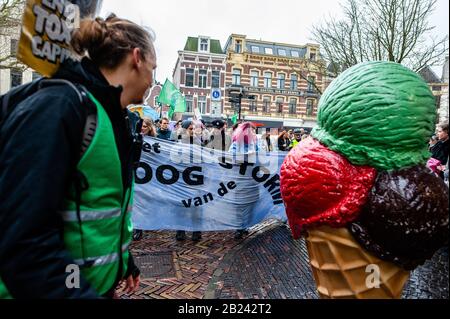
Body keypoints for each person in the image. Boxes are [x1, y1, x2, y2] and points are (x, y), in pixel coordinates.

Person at [0, 14, 157, 298]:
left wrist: (121, 260)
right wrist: (79, 293)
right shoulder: (60, 107)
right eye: (153, 68)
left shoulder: (112, 116)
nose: (152, 80)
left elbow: (93, 203)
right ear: (137, 58)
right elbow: (25, 240)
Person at [229, 122, 259, 240]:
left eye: (253, 130)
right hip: (240, 179)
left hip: (252, 180)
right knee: (240, 204)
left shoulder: (255, 143)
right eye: (249, 130)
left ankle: (245, 225)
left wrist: (257, 155)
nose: (251, 132)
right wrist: (246, 156)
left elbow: (263, 158)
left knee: (251, 203)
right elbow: (230, 157)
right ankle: (239, 228)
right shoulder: (236, 144)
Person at [175, 120, 202, 242]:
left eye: (193, 128)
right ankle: (180, 231)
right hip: (181, 179)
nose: (192, 131)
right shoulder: (178, 144)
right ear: (185, 129)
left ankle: (196, 232)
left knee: (195, 207)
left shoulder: (197, 142)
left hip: (195, 180)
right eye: (190, 128)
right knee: (181, 207)